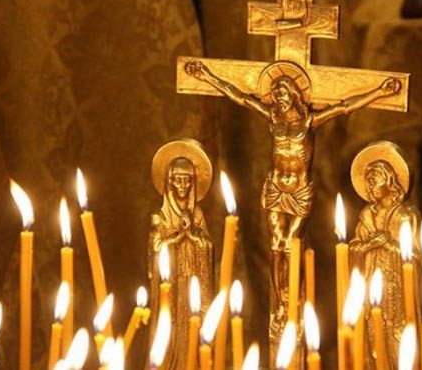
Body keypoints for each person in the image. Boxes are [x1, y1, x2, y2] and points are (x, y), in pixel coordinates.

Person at [185, 60, 401, 336]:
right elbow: (240, 97)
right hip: (276, 188)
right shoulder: (273, 119)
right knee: (276, 245)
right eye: (275, 94)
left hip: (299, 191)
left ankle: (293, 298)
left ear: (295, 94)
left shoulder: (310, 121)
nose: (279, 98)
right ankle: (281, 301)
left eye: (283, 93)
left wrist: (380, 91)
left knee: (292, 244)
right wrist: (207, 76)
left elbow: (345, 106)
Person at [349, 143, 421, 370]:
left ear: (389, 181)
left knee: (398, 339)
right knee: (372, 338)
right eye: (367, 181)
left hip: (397, 292)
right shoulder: (366, 217)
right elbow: (353, 248)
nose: (370, 186)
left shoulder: (404, 216)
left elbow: (416, 257)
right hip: (371, 286)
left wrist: (389, 244)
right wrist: (367, 246)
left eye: (374, 180)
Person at [148, 141, 213, 370]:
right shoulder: (161, 218)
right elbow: (155, 250)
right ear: (169, 182)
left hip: (192, 281)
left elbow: (207, 246)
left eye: (187, 180)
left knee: (193, 326)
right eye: (178, 180)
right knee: (172, 331)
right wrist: (177, 237)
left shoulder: (197, 215)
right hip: (171, 286)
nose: (183, 185)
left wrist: (194, 236)